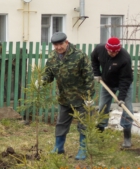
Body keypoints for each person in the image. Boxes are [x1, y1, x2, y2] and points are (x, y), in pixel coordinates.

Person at [35, 32, 95, 160]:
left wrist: (89, 96)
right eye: (55, 45)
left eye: (60, 44)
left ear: (66, 42)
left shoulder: (79, 56)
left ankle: (83, 149)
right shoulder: (52, 57)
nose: (58, 48)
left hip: (81, 97)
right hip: (64, 98)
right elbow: (49, 74)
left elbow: (89, 77)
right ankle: (59, 147)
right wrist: (41, 81)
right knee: (61, 123)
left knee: (83, 124)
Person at [91, 37, 134, 148]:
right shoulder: (100, 49)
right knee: (103, 107)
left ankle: (127, 138)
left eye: (115, 52)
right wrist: (97, 73)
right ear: (107, 48)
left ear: (119, 50)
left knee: (127, 108)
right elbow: (94, 59)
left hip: (124, 84)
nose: (113, 54)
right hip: (107, 83)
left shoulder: (124, 58)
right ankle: (99, 135)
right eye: (111, 51)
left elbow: (126, 79)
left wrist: (121, 98)